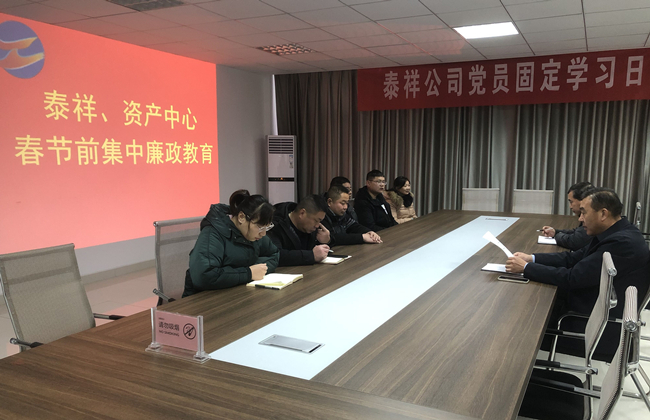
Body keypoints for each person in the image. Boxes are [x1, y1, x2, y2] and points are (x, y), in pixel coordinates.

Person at [505, 188, 650, 359]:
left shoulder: (621, 243)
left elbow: (572, 278)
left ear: (603, 214)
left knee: (515, 323)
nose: (580, 219)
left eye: (584, 213)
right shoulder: (616, 232)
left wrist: (526, 268)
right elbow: (573, 258)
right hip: (589, 309)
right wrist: (532, 258)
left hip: (590, 325)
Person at [182, 190, 279, 297]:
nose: (263, 234)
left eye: (267, 227)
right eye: (260, 227)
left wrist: (257, 270)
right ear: (241, 217)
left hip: (238, 293)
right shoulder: (213, 234)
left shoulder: (254, 234)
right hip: (203, 299)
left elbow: (274, 254)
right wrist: (248, 273)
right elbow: (203, 276)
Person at [268, 194, 331, 266]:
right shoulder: (275, 224)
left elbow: (317, 250)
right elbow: (277, 255)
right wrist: (311, 255)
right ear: (302, 213)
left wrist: (326, 241)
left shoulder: (310, 226)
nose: (317, 225)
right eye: (316, 220)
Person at [541, 181, 593, 250]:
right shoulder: (585, 216)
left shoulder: (591, 219)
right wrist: (555, 232)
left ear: (583, 200)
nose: (570, 206)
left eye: (571, 202)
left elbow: (574, 241)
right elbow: (576, 232)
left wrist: (556, 235)